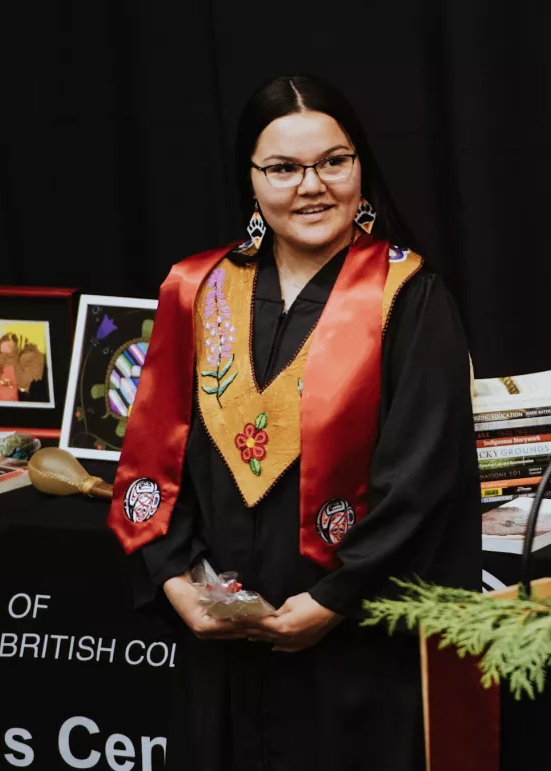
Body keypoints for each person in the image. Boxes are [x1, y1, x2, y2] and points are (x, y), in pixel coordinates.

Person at [107, 74, 479, 771]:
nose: (312, 186)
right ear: (251, 180)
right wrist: (176, 582)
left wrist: (334, 600)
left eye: (333, 162)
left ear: (360, 166)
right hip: (225, 647)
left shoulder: (408, 296)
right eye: (283, 168)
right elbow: (153, 453)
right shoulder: (195, 289)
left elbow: (425, 480)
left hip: (356, 649)